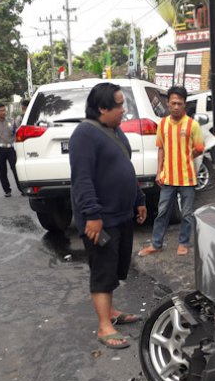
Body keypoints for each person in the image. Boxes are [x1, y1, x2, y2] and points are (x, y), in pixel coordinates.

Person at [69, 83, 147, 349]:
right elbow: (82, 180)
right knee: (103, 271)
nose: (124, 110)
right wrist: (92, 215)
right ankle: (104, 327)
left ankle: (112, 312)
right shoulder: (84, 135)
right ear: (102, 108)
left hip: (121, 215)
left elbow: (126, 167)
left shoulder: (114, 131)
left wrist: (139, 199)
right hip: (101, 219)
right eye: (119, 105)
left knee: (115, 267)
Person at [138, 86, 204, 257]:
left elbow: (200, 148)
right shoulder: (163, 124)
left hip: (188, 178)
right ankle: (156, 243)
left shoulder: (192, 125)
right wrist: (159, 171)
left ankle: (183, 243)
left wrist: (188, 155)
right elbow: (161, 149)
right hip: (168, 178)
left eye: (179, 103)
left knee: (187, 213)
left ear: (185, 104)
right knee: (162, 212)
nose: (176, 106)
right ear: (167, 103)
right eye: (173, 103)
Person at [0, 102, 22, 197]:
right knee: (2, 171)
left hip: (11, 149)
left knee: (16, 169)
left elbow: (16, 134)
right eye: (1, 111)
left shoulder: (11, 121)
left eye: (4, 110)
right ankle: (7, 190)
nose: (4, 112)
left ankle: (21, 188)